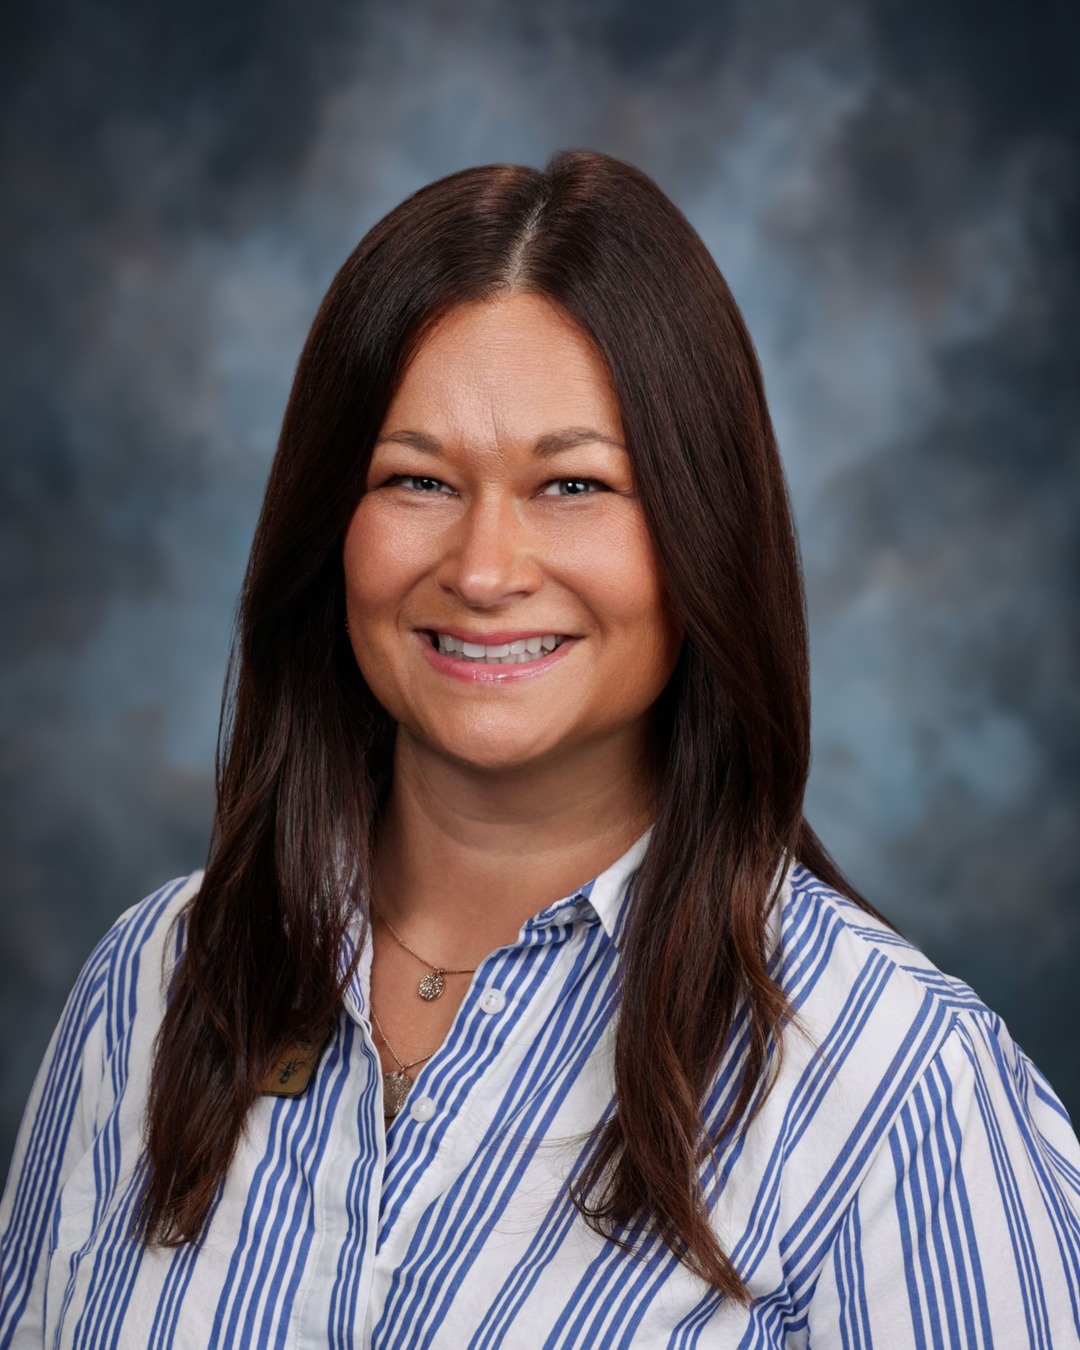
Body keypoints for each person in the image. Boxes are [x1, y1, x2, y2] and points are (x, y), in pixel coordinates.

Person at [1, 149, 1078, 1349]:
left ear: (703, 532)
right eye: (418, 479)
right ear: (330, 529)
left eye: (572, 484)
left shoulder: (897, 1087)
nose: (482, 570)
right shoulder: (154, 985)